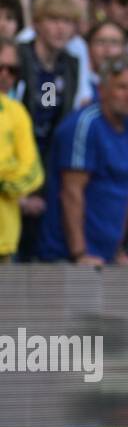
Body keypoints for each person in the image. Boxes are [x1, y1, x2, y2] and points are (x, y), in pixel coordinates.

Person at [37, 55, 128, 264]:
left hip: (107, 256)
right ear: (102, 90)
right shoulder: (83, 124)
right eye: (122, 87)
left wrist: (117, 251)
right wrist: (80, 254)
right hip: (67, 256)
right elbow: (71, 192)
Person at [0, 37, 43, 262]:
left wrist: (3, 182)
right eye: (0, 67)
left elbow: (31, 173)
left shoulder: (17, 112)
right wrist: (8, 169)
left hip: (5, 239)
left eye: (12, 69)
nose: (5, 75)